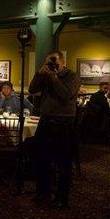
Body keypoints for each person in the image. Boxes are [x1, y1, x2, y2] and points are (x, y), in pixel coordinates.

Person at [29, 50, 81, 209]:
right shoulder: (45, 75)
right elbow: (32, 90)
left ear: (63, 62)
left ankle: (61, 198)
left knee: (63, 164)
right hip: (46, 121)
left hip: (64, 123)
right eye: (49, 62)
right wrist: (39, 74)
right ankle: (42, 192)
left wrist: (53, 77)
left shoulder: (73, 76)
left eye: (54, 62)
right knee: (41, 160)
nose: (52, 65)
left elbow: (65, 94)